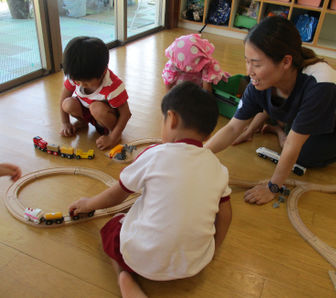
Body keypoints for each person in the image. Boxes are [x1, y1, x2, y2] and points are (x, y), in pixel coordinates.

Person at [68, 81, 232, 297]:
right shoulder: (218, 168)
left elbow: (117, 195)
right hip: (194, 264)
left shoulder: (154, 153)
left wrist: (87, 203)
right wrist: (212, 249)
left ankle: (124, 278)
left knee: (112, 229)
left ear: (171, 119)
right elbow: (226, 215)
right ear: (209, 135)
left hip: (143, 259)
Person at [205, 16, 336, 205]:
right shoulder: (259, 83)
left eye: (256, 64)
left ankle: (284, 128)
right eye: (247, 61)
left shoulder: (320, 86)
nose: (249, 70)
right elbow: (233, 128)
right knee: (296, 132)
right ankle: (282, 127)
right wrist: (198, 153)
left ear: (285, 61)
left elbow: (292, 146)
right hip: (333, 100)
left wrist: (272, 187)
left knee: (305, 155)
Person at [59, 36, 131, 150]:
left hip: (105, 118)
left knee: (96, 107)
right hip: (87, 111)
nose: (81, 84)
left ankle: (113, 132)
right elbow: (63, 98)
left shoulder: (113, 86)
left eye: (86, 83)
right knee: (67, 104)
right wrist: (65, 123)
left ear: (103, 73)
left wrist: (112, 137)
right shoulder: (76, 76)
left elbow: (126, 114)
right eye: (77, 81)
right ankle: (83, 123)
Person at [162, 33, 230, 93]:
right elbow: (168, 89)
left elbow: (207, 92)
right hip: (179, 92)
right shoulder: (173, 65)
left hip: (197, 90)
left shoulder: (206, 64)